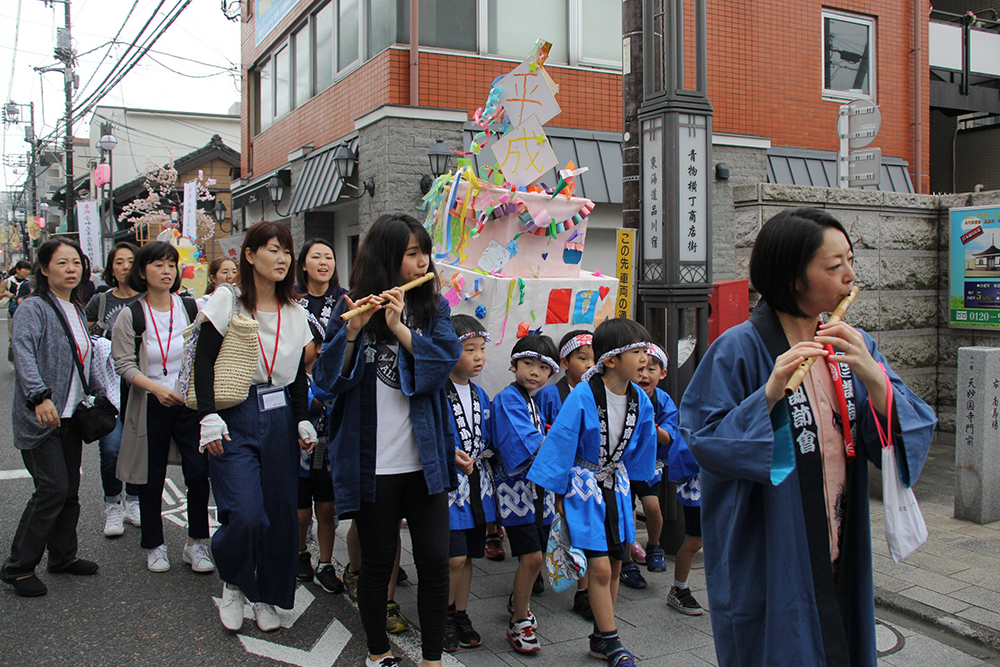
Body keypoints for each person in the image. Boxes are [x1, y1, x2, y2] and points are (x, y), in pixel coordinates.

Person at [680, 207, 937, 667]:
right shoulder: (738, 348)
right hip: (769, 545)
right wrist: (769, 394)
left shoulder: (851, 345)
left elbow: (908, 425)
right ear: (795, 278)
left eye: (850, 261)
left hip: (840, 534)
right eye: (835, 266)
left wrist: (874, 378)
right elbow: (703, 439)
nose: (850, 277)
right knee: (776, 646)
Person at [313, 213, 461, 667]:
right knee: (378, 565)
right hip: (372, 464)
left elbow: (445, 364)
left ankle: (432, 659)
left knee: (436, 560)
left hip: (424, 461)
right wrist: (354, 331)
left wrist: (400, 328)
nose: (423, 262)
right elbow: (325, 382)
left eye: (425, 253)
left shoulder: (434, 310)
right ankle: (378, 654)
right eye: (413, 254)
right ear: (387, 258)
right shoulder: (352, 308)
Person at [196, 221, 317, 633]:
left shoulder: (295, 312)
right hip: (234, 414)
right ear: (249, 255)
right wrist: (208, 416)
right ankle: (234, 582)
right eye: (271, 249)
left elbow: (299, 375)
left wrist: (303, 417)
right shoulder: (227, 301)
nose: (282, 258)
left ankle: (267, 594)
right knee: (246, 513)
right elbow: (203, 360)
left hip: (281, 414)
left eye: (286, 251)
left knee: (280, 516)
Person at [528, 318, 657, 667]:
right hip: (583, 486)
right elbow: (561, 441)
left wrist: (638, 481)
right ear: (612, 359)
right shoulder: (584, 394)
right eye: (636, 351)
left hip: (615, 485)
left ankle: (601, 636)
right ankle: (613, 642)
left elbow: (642, 446)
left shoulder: (639, 401)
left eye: (646, 350)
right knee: (599, 569)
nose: (645, 357)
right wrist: (557, 492)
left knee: (616, 563)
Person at [1, 239, 102, 597]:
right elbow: (23, 352)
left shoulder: (75, 307)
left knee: (70, 491)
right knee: (52, 489)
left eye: (76, 263)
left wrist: (99, 393)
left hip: (71, 415)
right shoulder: (34, 308)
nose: (72, 269)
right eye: (62, 263)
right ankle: (18, 566)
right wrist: (38, 396)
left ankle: (62, 556)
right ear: (44, 269)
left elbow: (85, 356)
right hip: (42, 416)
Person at [111, 242, 212, 575]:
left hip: (187, 403)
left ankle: (197, 543)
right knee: (149, 478)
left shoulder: (188, 306)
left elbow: (203, 350)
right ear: (143, 272)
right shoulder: (132, 314)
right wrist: (154, 388)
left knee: (198, 473)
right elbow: (123, 363)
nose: (167, 271)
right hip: (150, 403)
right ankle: (155, 545)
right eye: (158, 265)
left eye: (171, 264)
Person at [490, 333, 559, 654]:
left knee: (536, 556)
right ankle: (519, 622)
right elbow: (526, 442)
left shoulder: (533, 398)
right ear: (514, 364)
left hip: (537, 492)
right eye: (528, 363)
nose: (535, 371)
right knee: (531, 557)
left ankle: (520, 601)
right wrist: (562, 450)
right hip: (516, 492)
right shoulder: (508, 398)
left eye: (543, 367)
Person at [534, 329, 595, 618]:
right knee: (548, 526)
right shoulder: (549, 394)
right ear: (565, 362)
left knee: (581, 530)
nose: (588, 365)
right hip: (553, 469)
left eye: (593, 360)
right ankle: (535, 569)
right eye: (582, 358)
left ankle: (583, 592)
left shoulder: (597, 393)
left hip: (583, 474)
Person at [442, 314, 492, 654]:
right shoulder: (436, 391)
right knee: (453, 557)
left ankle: (461, 612)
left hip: (478, 486)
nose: (478, 357)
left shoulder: (481, 395)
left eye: (481, 349)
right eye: (469, 349)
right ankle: (442, 615)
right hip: (448, 487)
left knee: (470, 555)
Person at [85, 241, 142, 537]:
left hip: (141, 382)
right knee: (110, 447)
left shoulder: (147, 299)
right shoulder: (101, 300)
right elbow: (86, 335)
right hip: (109, 382)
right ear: (111, 268)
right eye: (119, 262)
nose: (125, 267)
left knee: (137, 446)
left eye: (130, 261)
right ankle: (112, 504)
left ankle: (133, 500)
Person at [297, 321, 344, 595]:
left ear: (317, 347)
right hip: (300, 459)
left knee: (326, 510)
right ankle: (301, 552)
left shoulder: (328, 375)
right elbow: (311, 402)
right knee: (302, 513)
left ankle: (325, 564)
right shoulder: (292, 378)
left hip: (328, 457)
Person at [3, 260, 32, 367]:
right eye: (25, 269)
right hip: (13, 311)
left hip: (26, 313)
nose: (27, 272)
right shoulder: (8, 281)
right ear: (17, 270)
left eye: (28, 269)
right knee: (13, 336)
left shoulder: (29, 283)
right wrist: (9, 295)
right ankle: (13, 359)